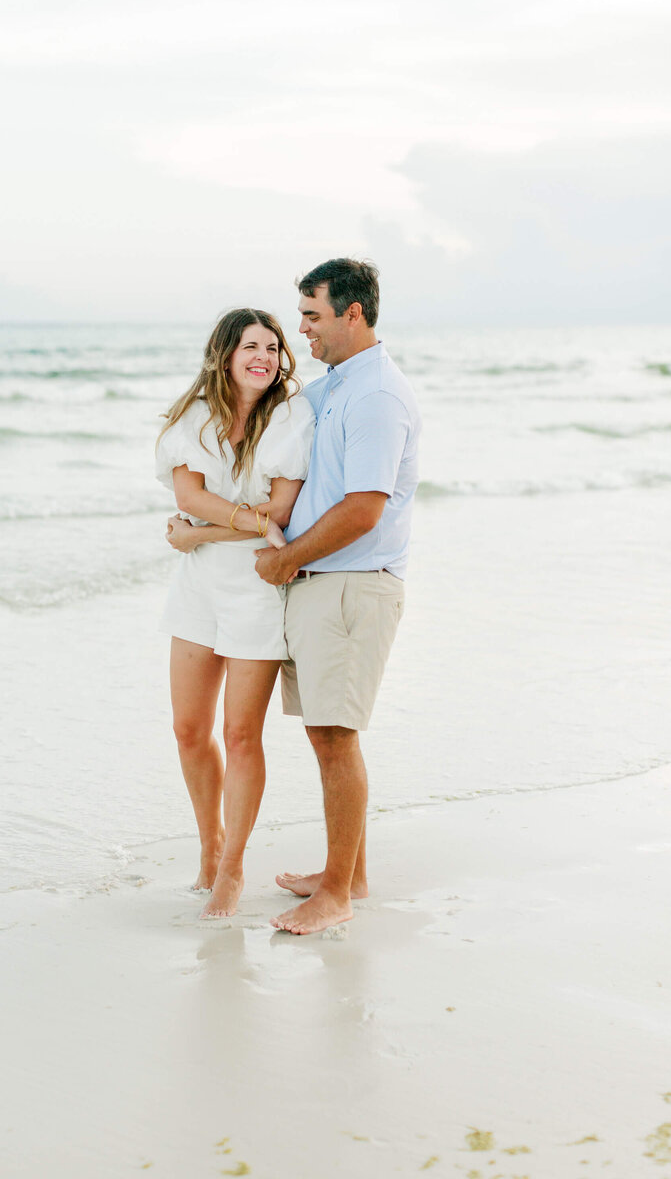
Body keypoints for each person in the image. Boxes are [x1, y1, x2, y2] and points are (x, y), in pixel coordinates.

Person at [254, 259, 422, 935]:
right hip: (322, 584)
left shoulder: (376, 395)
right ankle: (343, 873)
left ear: (354, 314)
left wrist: (286, 558)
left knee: (336, 736)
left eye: (313, 315)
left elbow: (363, 509)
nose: (302, 329)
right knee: (326, 735)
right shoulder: (335, 387)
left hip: (351, 586)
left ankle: (340, 898)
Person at [155, 308, 315, 919]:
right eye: (251, 346)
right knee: (189, 731)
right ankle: (208, 843)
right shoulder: (194, 417)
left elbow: (281, 513)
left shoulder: (291, 416)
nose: (264, 357)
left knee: (241, 734)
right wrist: (243, 523)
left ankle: (232, 868)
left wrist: (197, 535)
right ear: (225, 354)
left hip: (256, 592)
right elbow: (191, 498)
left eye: (273, 348)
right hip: (198, 589)